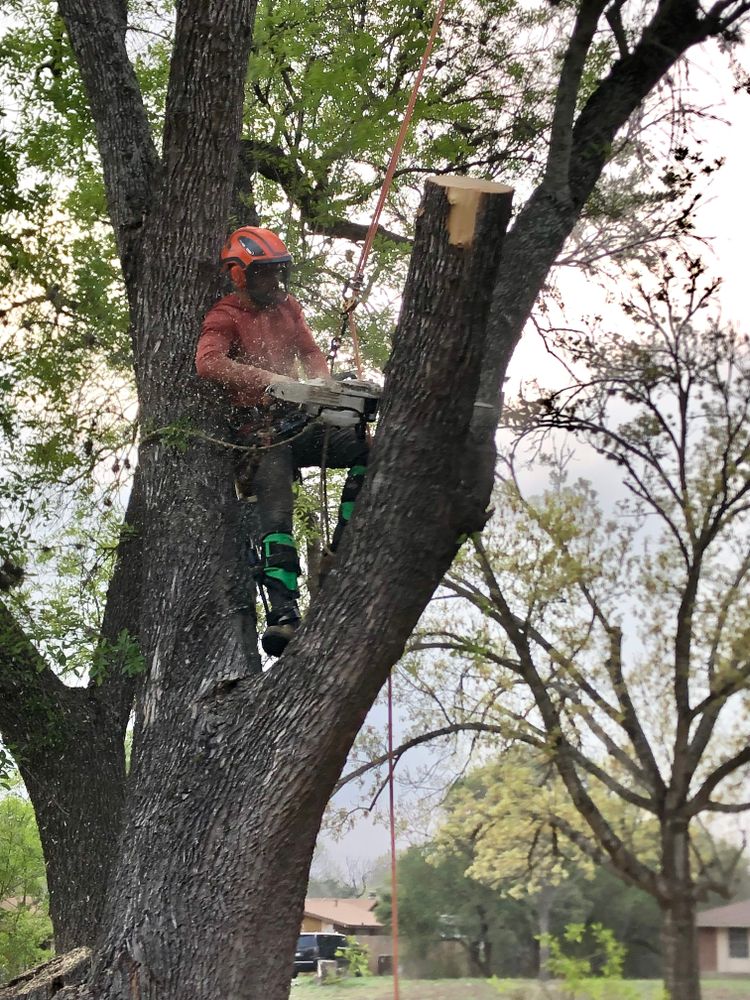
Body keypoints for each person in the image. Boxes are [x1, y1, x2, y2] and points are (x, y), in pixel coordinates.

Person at [196, 226, 369, 657]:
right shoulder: (225, 314)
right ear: (240, 275)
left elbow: (310, 352)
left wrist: (326, 389)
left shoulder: (288, 307)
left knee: (372, 452)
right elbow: (208, 362)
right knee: (276, 514)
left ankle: (343, 551)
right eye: (264, 276)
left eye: (277, 275)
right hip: (257, 433)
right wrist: (270, 380)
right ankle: (284, 612)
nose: (273, 284)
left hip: (300, 419)